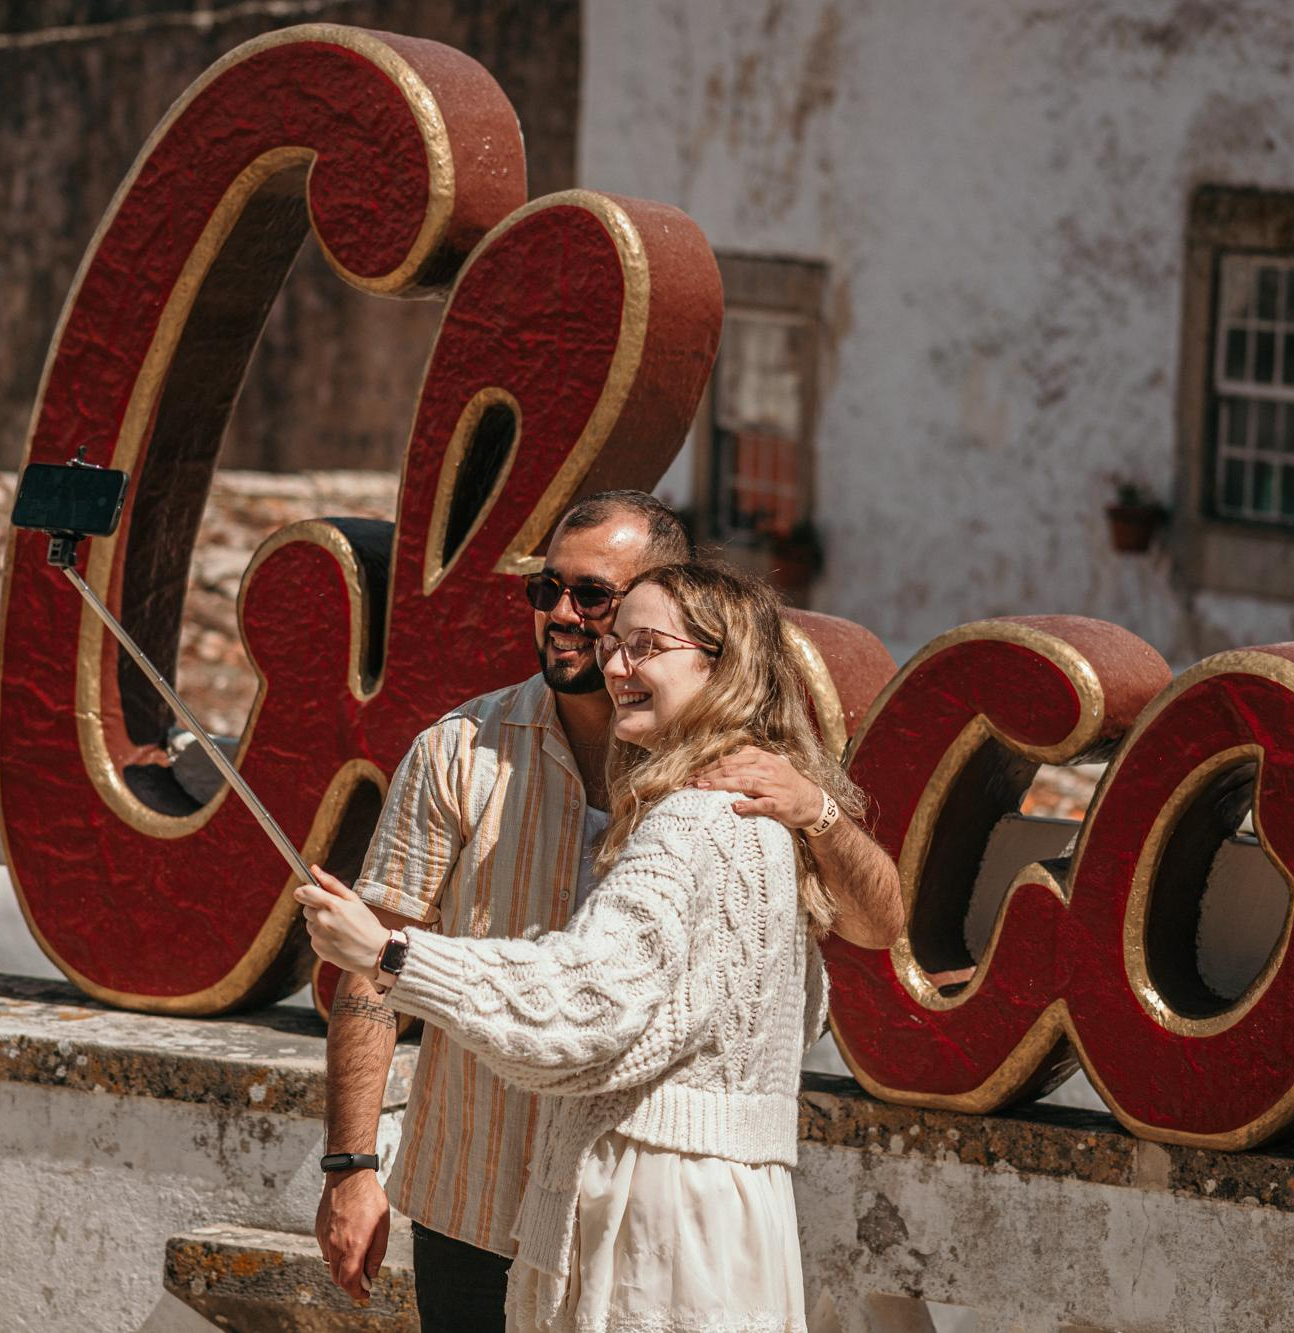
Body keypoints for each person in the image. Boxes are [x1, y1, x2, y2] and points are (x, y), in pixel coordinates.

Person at [313, 492, 903, 1328]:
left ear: (672, 610)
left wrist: (820, 813)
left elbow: (879, 925)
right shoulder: (458, 749)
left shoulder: (730, 789)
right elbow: (365, 983)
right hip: (476, 1196)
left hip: (630, 1207)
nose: (562, 613)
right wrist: (349, 1166)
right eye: (547, 588)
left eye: (595, 598)